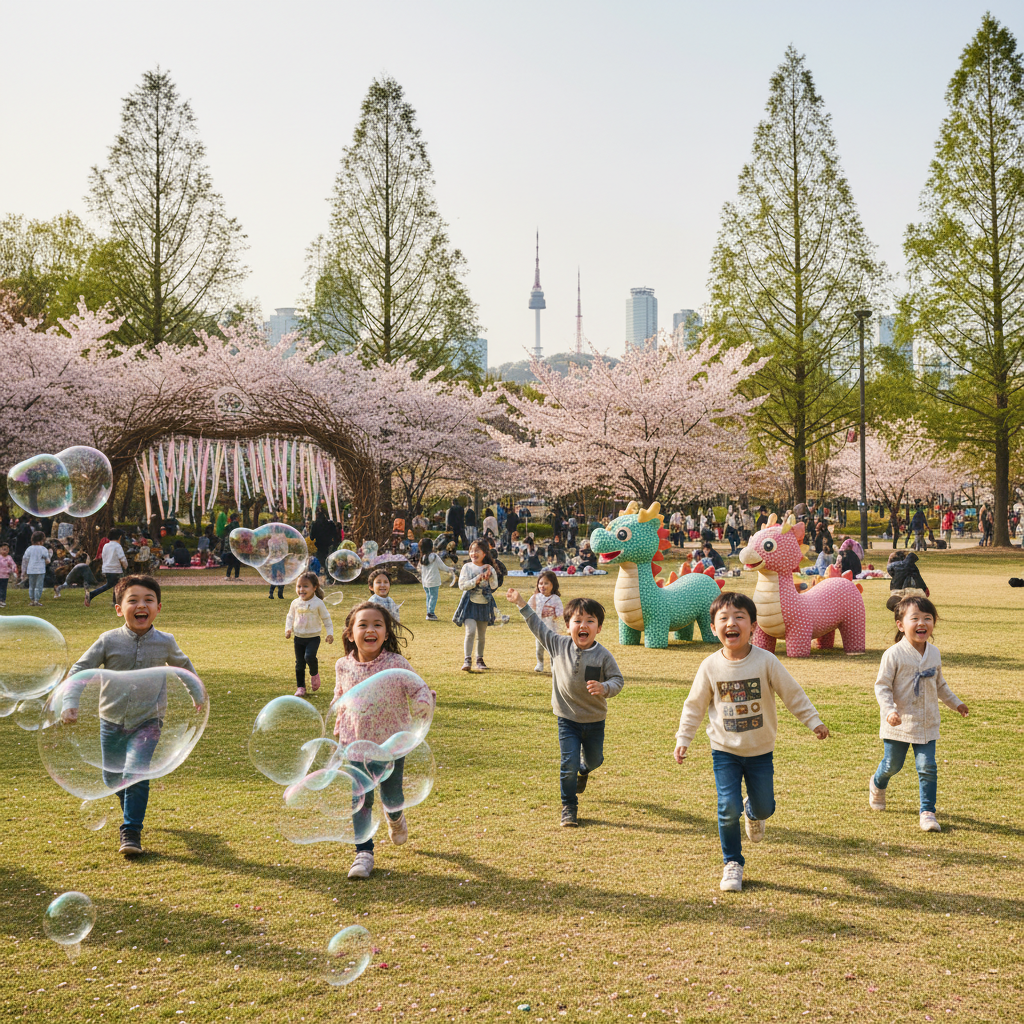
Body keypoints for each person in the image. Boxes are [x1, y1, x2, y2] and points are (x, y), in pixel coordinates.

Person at [674, 592, 829, 892]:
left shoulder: (766, 661)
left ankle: (754, 812)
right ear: (713, 627)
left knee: (765, 806)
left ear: (753, 625)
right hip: (724, 751)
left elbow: (792, 693)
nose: (731, 623)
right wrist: (684, 738)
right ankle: (732, 862)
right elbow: (693, 706)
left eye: (739, 617)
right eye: (724, 618)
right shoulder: (709, 666)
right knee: (727, 808)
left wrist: (814, 720)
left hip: (760, 751)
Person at [61, 575, 201, 857]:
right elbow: (79, 669)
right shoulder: (108, 640)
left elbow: (183, 665)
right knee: (112, 779)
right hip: (111, 719)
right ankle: (131, 807)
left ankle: (131, 830)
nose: (141, 605)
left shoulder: (165, 641)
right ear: (118, 608)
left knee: (136, 774)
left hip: (149, 720)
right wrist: (70, 700)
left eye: (148, 600)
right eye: (133, 600)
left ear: (158, 608)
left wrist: (197, 693)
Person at [505, 587, 623, 827]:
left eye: (590, 621)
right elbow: (537, 625)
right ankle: (569, 806)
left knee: (595, 760)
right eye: (577, 620)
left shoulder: (603, 655)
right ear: (568, 625)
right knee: (567, 763)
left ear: (598, 628)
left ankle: (585, 768)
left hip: (594, 720)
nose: (584, 625)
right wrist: (520, 603)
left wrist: (605, 687)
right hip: (566, 718)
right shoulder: (557, 644)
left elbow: (617, 680)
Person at [333, 601, 428, 879]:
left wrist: (423, 701)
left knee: (392, 795)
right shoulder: (343, 666)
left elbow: (418, 687)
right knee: (359, 799)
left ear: (387, 633)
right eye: (363, 624)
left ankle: (395, 817)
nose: (370, 629)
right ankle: (363, 853)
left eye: (378, 624)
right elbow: (340, 697)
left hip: (392, 746)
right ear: (350, 633)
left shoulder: (396, 663)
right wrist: (338, 721)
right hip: (355, 744)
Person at [869, 595, 968, 832]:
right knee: (892, 765)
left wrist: (956, 703)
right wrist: (890, 711)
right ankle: (877, 783)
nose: (922, 623)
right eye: (915, 618)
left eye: (928, 618)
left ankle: (927, 812)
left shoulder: (934, 653)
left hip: (927, 722)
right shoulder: (893, 654)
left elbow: (940, 685)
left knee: (927, 767)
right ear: (901, 624)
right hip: (899, 723)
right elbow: (881, 686)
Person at [285, 571, 334, 698]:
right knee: (299, 663)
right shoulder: (295, 603)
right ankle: (301, 687)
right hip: (298, 638)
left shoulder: (318, 603)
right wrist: (288, 629)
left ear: (315, 587)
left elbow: (327, 619)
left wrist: (330, 633)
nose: (301, 589)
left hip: (313, 637)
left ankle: (314, 673)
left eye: (305, 586)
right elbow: (290, 617)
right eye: (299, 586)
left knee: (309, 657)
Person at [454, 540, 498, 672]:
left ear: (484, 553)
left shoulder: (489, 568)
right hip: (469, 603)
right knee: (470, 631)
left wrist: (490, 577)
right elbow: (462, 585)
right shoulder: (467, 567)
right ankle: (467, 659)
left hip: (484, 603)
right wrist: (476, 580)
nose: (474, 553)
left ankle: (480, 659)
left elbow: (495, 586)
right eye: (471, 551)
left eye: (477, 551)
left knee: (481, 635)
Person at [528, 570, 564, 673]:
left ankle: (554, 665)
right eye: (540, 583)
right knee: (539, 648)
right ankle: (540, 663)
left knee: (552, 649)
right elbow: (529, 608)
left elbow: (560, 612)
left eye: (546, 583)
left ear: (553, 585)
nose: (542, 586)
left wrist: (554, 613)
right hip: (539, 628)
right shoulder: (535, 597)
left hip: (552, 629)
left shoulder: (555, 598)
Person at [85, 528, 128, 607]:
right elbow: (122, 558)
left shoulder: (106, 545)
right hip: (115, 569)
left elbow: (104, 557)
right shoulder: (118, 546)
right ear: (119, 537)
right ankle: (91, 594)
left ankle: (115, 602)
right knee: (112, 585)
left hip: (107, 569)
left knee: (115, 584)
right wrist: (125, 566)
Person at [21, 530, 51, 607]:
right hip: (40, 570)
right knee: (39, 586)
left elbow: (25, 560)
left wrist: (23, 571)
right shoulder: (43, 549)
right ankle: (36, 600)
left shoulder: (29, 549)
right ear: (41, 541)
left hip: (31, 569)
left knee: (32, 585)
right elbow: (47, 561)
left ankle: (32, 599)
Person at [418, 537, 443, 621]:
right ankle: (430, 613)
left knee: (429, 596)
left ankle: (429, 612)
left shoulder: (422, 557)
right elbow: (442, 566)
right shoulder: (434, 556)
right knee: (433, 597)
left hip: (425, 581)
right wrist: (451, 569)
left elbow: (419, 569)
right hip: (433, 581)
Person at [0, 540, 18, 607]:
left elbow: (13, 565)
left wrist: (13, 571)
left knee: (3, 588)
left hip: (5, 576)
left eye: (7, 550)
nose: (5, 551)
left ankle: (2, 600)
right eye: (3, 549)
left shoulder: (9, 558)